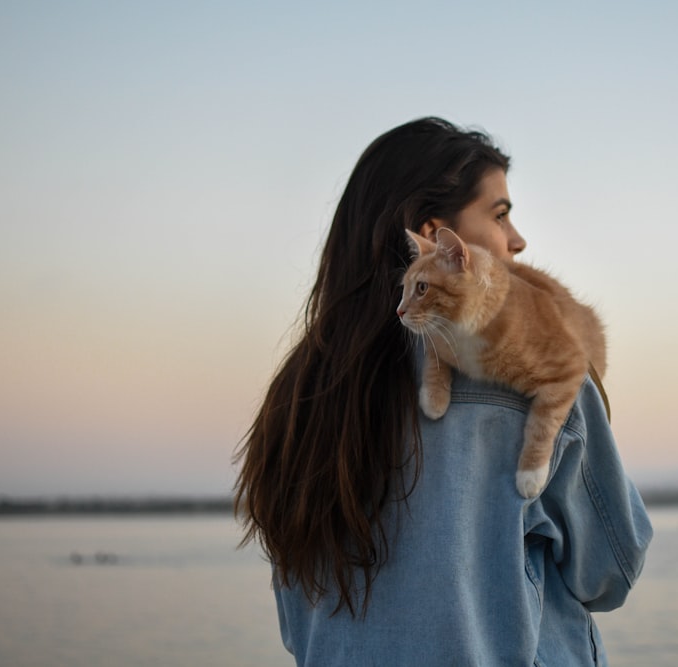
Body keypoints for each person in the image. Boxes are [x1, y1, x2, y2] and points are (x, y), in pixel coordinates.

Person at [234, 117, 652, 666]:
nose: (518, 240)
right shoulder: (532, 373)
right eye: (500, 214)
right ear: (436, 239)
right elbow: (609, 572)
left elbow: (298, 622)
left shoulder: (298, 395)